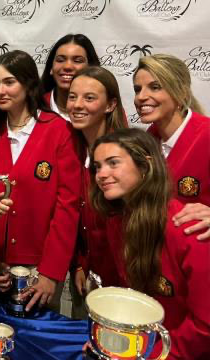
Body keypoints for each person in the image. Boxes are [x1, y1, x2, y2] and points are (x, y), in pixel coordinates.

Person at [0, 50, 81, 313]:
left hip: (38, 269)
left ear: (29, 83)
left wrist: (51, 272)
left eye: (9, 82)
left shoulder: (59, 132)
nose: (0, 90)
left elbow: (67, 208)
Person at [90, 128, 210, 359]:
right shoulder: (116, 223)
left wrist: (153, 355)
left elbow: (204, 328)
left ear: (145, 166)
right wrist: (112, 346)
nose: (101, 174)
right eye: (97, 167)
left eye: (113, 163)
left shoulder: (189, 229)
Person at [65, 66, 127, 317]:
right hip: (90, 281)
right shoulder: (71, 148)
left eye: (89, 98)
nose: (77, 105)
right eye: (72, 96)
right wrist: (80, 264)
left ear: (110, 105)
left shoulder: (125, 154)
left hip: (124, 286)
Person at [133, 54, 210, 240]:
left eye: (155, 87)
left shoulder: (207, 135)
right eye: (137, 89)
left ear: (182, 93)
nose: (141, 97)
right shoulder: (142, 145)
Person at [40, 34, 100, 121]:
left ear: (91, 68)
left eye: (77, 61)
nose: (67, 66)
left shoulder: (106, 109)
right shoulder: (33, 108)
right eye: (60, 60)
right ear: (51, 68)